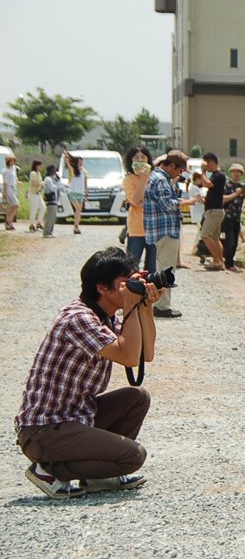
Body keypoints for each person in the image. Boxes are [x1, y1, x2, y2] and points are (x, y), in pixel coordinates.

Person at [14, 247, 160, 499]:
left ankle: (98, 475)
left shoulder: (105, 316)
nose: (129, 289)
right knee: (133, 456)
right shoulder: (79, 318)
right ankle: (49, 471)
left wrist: (143, 308)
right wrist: (130, 307)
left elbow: (144, 354)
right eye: (125, 283)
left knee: (137, 397)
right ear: (102, 287)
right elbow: (127, 355)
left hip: (76, 416)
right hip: (46, 428)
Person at [144, 150, 194, 318]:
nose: (179, 174)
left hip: (160, 230)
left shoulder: (158, 177)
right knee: (166, 270)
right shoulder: (161, 180)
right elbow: (167, 205)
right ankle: (162, 306)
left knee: (163, 267)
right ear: (172, 166)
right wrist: (186, 202)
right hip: (164, 230)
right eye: (179, 170)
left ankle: (159, 303)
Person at [122, 146, 154, 269]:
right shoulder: (128, 180)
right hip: (136, 228)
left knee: (152, 267)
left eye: (143, 157)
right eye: (136, 157)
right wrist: (142, 179)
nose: (140, 160)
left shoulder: (155, 177)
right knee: (132, 267)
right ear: (131, 161)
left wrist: (143, 202)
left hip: (154, 228)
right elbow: (135, 201)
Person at [196, 152, 227, 270]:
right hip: (214, 211)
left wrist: (202, 171)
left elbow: (206, 184)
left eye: (207, 165)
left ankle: (217, 261)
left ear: (211, 163)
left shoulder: (219, 175)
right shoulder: (217, 175)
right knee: (214, 238)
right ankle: (219, 261)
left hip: (214, 211)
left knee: (205, 235)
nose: (206, 167)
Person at [221, 163, 245, 273]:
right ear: (231, 173)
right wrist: (236, 194)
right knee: (230, 241)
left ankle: (229, 261)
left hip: (237, 217)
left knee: (235, 242)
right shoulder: (227, 185)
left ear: (241, 174)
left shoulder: (244, 187)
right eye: (234, 171)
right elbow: (223, 199)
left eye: (238, 172)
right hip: (227, 216)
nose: (236, 174)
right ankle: (229, 263)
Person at [63, 151, 88, 235]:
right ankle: (76, 226)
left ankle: (76, 226)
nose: (81, 163)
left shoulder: (84, 171)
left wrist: (86, 191)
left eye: (82, 162)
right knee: (77, 208)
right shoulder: (72, 170)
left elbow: (85, 182)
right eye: (79, 161)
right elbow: (67, 162)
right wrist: (67, 156)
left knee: (79, 211)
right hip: (73, 192)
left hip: (80, 193)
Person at [41, 165, 64, 238]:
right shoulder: (47, 179)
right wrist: (57, 183)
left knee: (53, 217)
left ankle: (50, 231)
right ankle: (46, 232)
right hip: (51, 200)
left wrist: (58, 181)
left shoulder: (52, 179)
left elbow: (60, 187)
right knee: (49, 217)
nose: (55, 172)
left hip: (55, 200)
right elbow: (52, 188)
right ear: (50, 171)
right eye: (54, 170)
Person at [27, 159, 45, 232]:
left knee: (43, 207)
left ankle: (39, 222)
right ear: (36, 166)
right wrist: (41, 183)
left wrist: (42, 184)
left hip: (38, 193)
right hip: (33, 193)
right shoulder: (33, 173)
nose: (40, 167)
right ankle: (31, 224)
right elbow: (33, 183)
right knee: (34, 209)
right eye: (39, 165)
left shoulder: (39, 173)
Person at [3, 155, 19, 230]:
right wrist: (5, 193)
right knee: (15, 204)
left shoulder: (12, 170)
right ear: (8, 162)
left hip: (13, 189)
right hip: (9, 189)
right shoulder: (5, 171)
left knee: (13, 206)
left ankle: (9, 221)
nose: (13, 162)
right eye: (11, 161)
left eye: (13, 161)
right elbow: (5, 182)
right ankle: (8, 221)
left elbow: (13, 180)